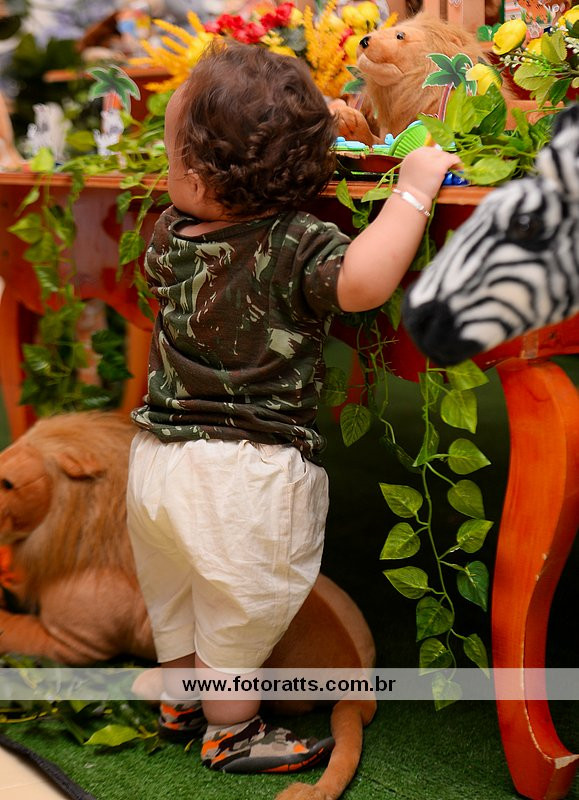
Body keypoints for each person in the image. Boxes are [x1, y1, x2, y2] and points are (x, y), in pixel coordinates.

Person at [126, 40, 459, 775]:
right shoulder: (294, 242)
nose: (167, 167)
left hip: (155, 462)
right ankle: (232, 729)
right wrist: (412, 189)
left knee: (175, 595)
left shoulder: (167, 235)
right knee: (240, 606)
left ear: (202, 177)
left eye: (174, 153)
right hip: (243, 473)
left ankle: (181, 700)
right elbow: (363, 282)